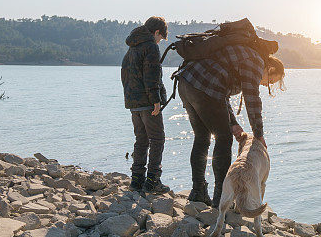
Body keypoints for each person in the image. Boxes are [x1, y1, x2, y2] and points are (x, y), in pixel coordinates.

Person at [176, 44, 285, 206]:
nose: (265, 85)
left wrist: (233, 123)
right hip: (204, 86)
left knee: (202, 137)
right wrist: (259, 135)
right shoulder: (255, 62)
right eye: (270, 81)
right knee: (224, 139)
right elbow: (252, 100)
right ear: (269, 69)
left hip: (187, 82)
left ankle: (198, 191)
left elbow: (222, 92)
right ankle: (221, 198)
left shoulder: (246, 56)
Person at [121, 16, 170, 194]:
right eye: (160, 38)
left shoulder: (132, 47)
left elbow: (125, 75)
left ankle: (136, 181)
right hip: (148, 103)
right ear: (156, 32)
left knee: (141, 140)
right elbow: (151, 75)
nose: (160, 41)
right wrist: (156, 100)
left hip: (133, 102)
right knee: (157, 140)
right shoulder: (150, 46)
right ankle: (153, 181)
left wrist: (130, 98)